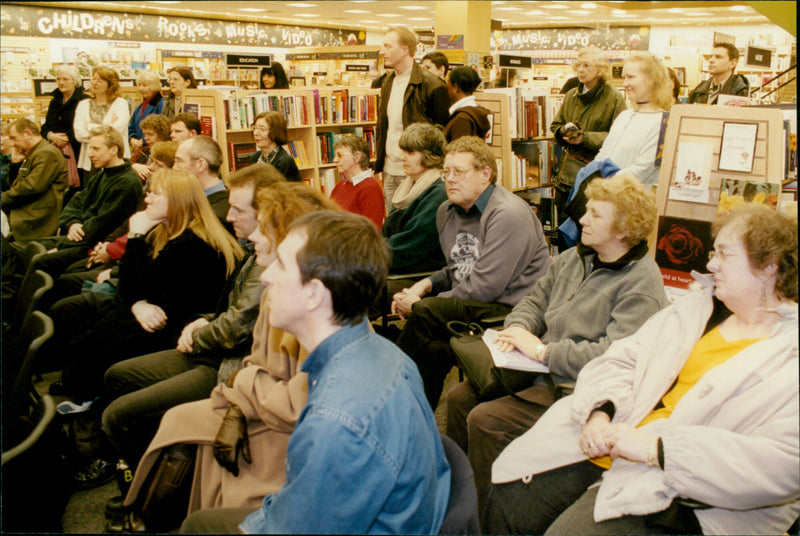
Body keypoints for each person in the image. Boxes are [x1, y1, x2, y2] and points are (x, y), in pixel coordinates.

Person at [484, 204, 798, 535]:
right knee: (510, 496)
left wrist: (656, 449)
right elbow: (621, 359)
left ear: (768, 267)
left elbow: (782, 465)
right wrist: (600, 410)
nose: (710, 264)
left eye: (725, 254)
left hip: (690, 492)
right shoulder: (698, 309)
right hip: (621, 436)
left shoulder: (789, 356)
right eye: (713, 252)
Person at [179, 210, 451, 535]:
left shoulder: (334, 420)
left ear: (313, 294)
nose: (266, 276)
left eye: (281, 264)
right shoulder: (384, 351)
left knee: (198, 526)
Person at [117, 182, 338, 533]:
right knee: (177, 421)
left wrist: (241, 399)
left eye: (262, 229)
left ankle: (163, 515)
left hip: (279, 426)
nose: (253, 237)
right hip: (255, 400)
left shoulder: (310, 305)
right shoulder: (274, 290)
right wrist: (240, 399)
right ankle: (153, 510)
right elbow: (257, 361)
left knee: (184, 427)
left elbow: (301, 399)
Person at [446, 174, 668, 512]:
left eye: (595, 214)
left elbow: (612, 355)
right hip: (533, 368)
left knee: (486, 420)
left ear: (623, 230)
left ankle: (489, 516)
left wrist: (542, 352)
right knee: (459, 398)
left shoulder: (641, 284)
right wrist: (517, 329)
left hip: (574, 388)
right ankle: (461, 501)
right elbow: (533, 302)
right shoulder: (574, 257)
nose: (581, 219)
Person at [99, 164, 284, 525]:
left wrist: (199, 331)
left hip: (229, 367)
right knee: (117, 374)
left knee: (119, 414)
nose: (228, 215)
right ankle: (151, 483)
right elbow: (231, 315)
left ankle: (154, 501)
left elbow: (236, 329)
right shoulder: (253, 248)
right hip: (214, 351)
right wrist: (205, 322)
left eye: (238, 209)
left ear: (266, 213)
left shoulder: (269, 259)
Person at [50, 168, 243, 401]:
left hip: (174, 329)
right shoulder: (167, 232)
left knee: (90, 344)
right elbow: (135, 288)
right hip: (158, 316)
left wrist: (136, 236)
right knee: (85, 333)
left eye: (155, 194)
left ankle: (85, 402)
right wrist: (136, 303)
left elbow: (136, 288)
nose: (146, 199)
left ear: (178, 201)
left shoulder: (194, 243)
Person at [393, 136, 551, 409]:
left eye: (459, 172)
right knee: (431, 349)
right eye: (446, 172)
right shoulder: (447, 211)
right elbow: (457, 269)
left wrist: (420, 305)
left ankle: (385, 386)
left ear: (485, 175)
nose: (450, 179)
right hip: (472, 306)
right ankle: (412, 418)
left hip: (509, 310)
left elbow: (484, 287)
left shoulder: (508, 213)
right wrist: (424, 286)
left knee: (427, 312)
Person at [35, 125, 143, 279]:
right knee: (33, 247)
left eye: (95, 149)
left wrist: (61, 246)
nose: (90, 154)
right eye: (90, 149)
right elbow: (76, 202)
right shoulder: (103, 174)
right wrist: (73, 223)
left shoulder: (127, 182)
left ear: (113, 150)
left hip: (93, 244)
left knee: (41, 261)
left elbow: (102, 225)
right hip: (80, 236)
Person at [376, 26, 450, 214]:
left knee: (414, 222)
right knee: (393, 222)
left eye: (387, 46)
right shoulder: (387, 83)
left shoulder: (432, 84)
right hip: (390, 167)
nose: (381, 51)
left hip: (419, 172)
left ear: (405, 49)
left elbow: (442, 132)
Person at [550, 46, 626, 222]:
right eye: (578, 65)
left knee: (589, 227)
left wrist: (586, 138)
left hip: (596, 174)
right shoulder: (571, 95)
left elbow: (619, 136)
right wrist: (563, 131)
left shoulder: (613, 98)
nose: (581, 70)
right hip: (567, 175)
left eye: (587, 65)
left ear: (600, 70)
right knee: (564, 227)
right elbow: (555, 126)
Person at [592, 51, 672, 186]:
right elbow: (603, 155)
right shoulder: (624, 116)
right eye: (624, 77)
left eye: (630, 77)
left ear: (651, 79)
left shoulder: (664, 123)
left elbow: (641, 171)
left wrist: (602, 183)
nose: (624, 83)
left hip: (633, 202)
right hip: (607, 197)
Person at [383, 122, 448, 278]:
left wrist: (370, 254)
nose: (403, 158)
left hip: (419, 273)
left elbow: (413, 245)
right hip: (400, 265)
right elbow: (387, 232)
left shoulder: (438, 193)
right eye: (403, 151)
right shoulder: (408, 187)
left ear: (429, 156)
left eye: (411, 153)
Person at [1, 118, 68, 244]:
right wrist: (14, 163)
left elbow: (31, 187)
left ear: (27, 133)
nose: (12, 143)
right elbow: (16, 184)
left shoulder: (46, 153)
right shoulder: (35, 152)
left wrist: (3, 199)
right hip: (28, 214)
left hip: (36, 219)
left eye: (14, 138)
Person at [73, 66, 131, 175]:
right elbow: (79, 134)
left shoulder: (121, 104)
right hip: (90, 162)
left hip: (115, 161)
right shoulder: (83, 104)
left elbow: (116, 132)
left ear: (110, 84)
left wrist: (89, 127)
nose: (95, 83)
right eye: (94, 79)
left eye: (100, 81)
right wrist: (107, 127)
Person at [40, 64, 88, 190]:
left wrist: (68, 137)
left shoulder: (84, 100)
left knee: (77, 187)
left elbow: (87, 125)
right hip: (55, 152)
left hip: (78, 152)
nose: (61, 82)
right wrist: (51, 136)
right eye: (58, 79)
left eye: (65, 79)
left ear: (75, 81)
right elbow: (45, 127)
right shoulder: (54, 101)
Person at [174, 136, 231, 227]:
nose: (174, 168)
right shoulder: (192, 200)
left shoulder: (218, 216)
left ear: (201, 165)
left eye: (179, 161)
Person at [330, 135, 384, 229]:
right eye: (335, 156)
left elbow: (371, 230)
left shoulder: (370, 188)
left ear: (357, 157)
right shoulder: (340, 185)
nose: (335, 160)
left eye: (340, 155)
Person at [248, 111, 301, 182]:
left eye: (262, 129)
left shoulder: (284, 161)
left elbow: (281, 191)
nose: (255, 133)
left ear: (275, 132)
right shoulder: (255, 157)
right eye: (254, 128)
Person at [444, 66, 491, 142]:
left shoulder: (462, 119)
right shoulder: (475, 112)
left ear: (455, 87)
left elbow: (459, 152)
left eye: (448, 82)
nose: (446, 86)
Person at [128, 71, 165, 156]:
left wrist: (144, 140)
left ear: (153, 86)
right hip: (140, 151)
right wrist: (132, 139)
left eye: (145, 85)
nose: (141, 88)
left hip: (155, 151)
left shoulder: (161, 104)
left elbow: (162, 130)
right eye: (139, 85)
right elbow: (131, 127)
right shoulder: (139, 107)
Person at [131, 114, 171, 182]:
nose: (146, 138)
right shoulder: (142, 151)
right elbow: (125, 166)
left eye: (150, 134)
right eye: (144, 134)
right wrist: (134, 166)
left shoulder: (170, 154)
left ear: (162, 134)